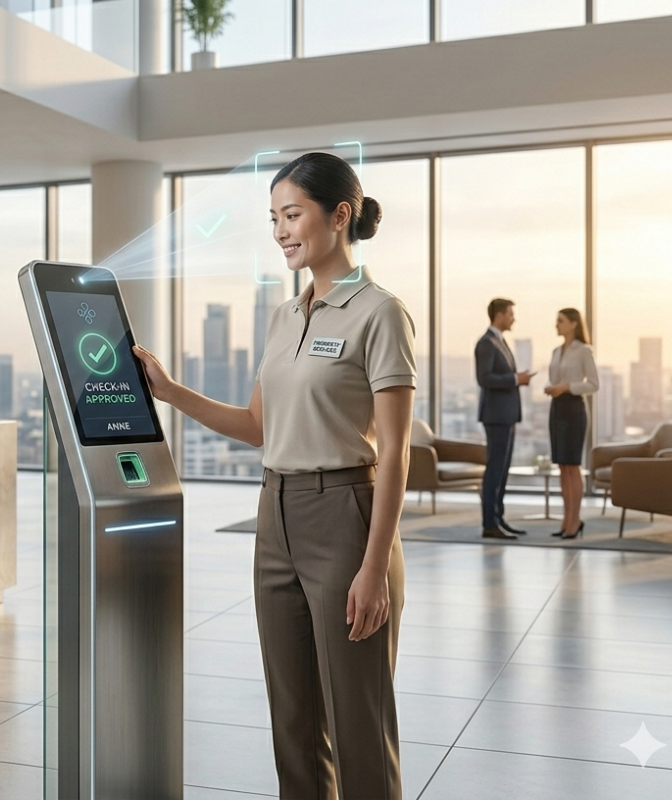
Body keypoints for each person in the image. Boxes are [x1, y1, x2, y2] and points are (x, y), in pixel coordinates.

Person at [134, 152, 413, 800]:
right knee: (292, 723)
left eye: (293, 215)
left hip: (347, 519)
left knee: (358, 726)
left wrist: (373, 569)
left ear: (339, 215)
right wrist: (171, 392)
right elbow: (260, 426)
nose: (282, 231)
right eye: (274, 219)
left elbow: (395, 450)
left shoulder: (380, 312)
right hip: (274, 519)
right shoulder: (284, 316)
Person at [475, 298, 535, 540]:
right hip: (496, 417)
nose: (513, 318)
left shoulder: (500, 341)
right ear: (499, 315)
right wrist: (515, 379)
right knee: (495, 470)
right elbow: (485, 378)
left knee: (503, 470)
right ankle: (489, 523)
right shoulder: (487, 343)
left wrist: (516, 378)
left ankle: (498, 519)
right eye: (510, 314)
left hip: (506, 416)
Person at [545, 308, 599, 539]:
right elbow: (555, 379)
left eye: (560, 321)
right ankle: (566, 519)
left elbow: (593, 384)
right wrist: (552, 387)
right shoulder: (556, 351)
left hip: (574, 409)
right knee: (562, 466)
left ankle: (575, 520)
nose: (556, 324)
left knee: (572, 465)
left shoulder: (584, 351)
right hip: (557, 408)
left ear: (574, 324)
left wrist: (568, 386)